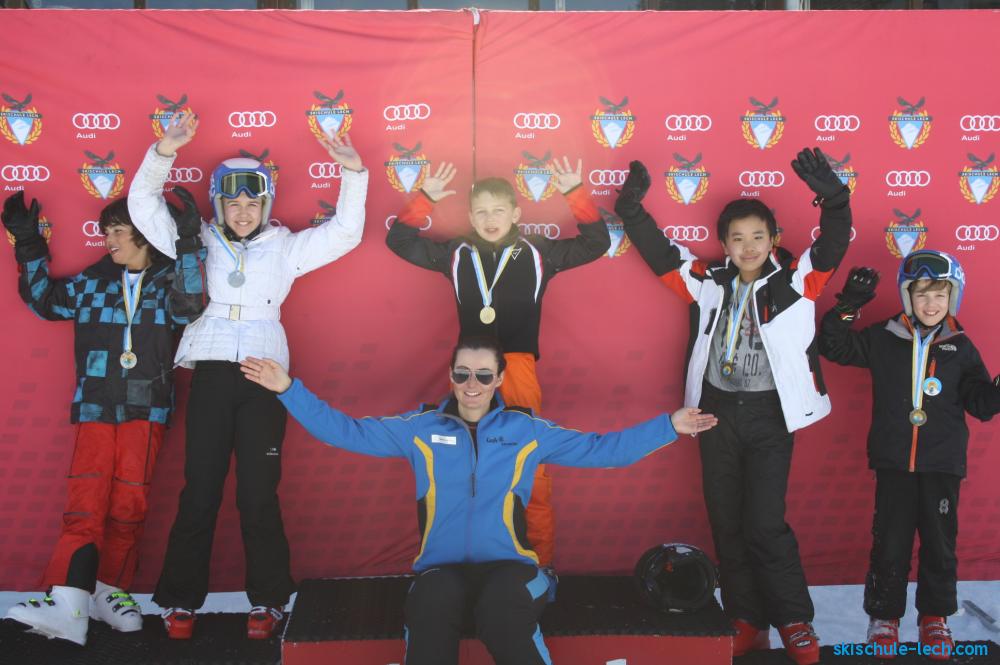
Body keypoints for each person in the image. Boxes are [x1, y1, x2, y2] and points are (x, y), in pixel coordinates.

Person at [238, 336, 717, 665]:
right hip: (440, 570)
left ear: (500, 378)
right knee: (429, 609)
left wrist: (668, 427)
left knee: (503, 614)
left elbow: (601, 450)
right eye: (463, 373)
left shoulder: (526, 430)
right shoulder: (420, 429)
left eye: (484, 375)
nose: (472, 384)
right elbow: (347, 432)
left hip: (512, 569)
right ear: (450, 376)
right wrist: (288, 390)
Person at [126, 111, 369, 640]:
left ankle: (269, 601)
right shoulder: (195, 238)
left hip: (265, 375)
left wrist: (353, 173)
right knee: (200, 490)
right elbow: (141, 207)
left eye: (252, 203)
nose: (242, 212)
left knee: (259, 494)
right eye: (232, 203)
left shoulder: (285, 246)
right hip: (213, 369)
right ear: (218, 204)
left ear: (266, 205)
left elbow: (347, 232)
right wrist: (163, 152)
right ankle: (180, 601)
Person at [613, 147, 853, 665]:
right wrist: (631, 210)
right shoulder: (710, 280)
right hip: (715, 412)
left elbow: (833, 242)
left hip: (770, 415)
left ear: (774, 240)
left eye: (758, 237)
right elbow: (661, 255)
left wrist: (835, 198)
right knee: (726, 521)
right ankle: (747, 618)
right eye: (737, 238)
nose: (748, 247)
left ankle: (794, 620)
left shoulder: (796, 280)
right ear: (724, 244)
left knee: (764, 523)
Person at [1, 189, 207, 646]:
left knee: (130, 505)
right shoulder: (91, 281)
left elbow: (191, 306)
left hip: (148, 407)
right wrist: (28, 242)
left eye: (117, 231)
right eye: (105, 231)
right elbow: (43, 301)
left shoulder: (169, 280)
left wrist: (189, 240)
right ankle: (67, 599)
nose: (108, 240)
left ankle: (107, 591)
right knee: (86, 502)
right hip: (95, 404)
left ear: (144, 234)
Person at [385, 159, 611, 570]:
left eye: (499, 211)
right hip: (470, 375)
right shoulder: (457, 252)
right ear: (471, 217)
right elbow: (399, 240)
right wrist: (425, 198)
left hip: (518, 370)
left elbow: (596, 242)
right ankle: (463, 566)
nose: (490, 219)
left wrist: (574, 192)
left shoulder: (539, 252)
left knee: (530, 468)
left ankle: (539, 569)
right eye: (481, 212)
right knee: (463, 469)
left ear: (516, 214)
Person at [819, 252, 1000, 661]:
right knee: (891, 543)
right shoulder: (885, 338)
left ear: (952, 298)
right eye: (921, 294)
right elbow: (833, 345)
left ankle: (935, 617)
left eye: (940, 295)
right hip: (894, 463)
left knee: (940, 544)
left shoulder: (960, 346)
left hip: (943, 464)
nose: (930, 304)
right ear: (907, 296)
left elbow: (980, 403)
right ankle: (884, 619)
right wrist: (849, 305)